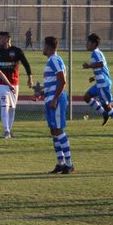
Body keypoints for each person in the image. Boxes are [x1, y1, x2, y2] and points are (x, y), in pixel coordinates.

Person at [40, 36, 74, 174]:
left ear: (48, 47)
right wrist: (42, 93)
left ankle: (69, 164)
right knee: (54, 131)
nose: (43, 48)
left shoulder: (54, 59)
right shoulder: (51, 60)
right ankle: (61, 163)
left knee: (59, 130)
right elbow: (54, 82)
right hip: (51, 99)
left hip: (57, 100)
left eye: (44, 46)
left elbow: (62, 81)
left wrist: (54, 99)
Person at [82, 33, 113, 131]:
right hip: (99, 83)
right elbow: (102, 69)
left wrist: (89, 66)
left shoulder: (95, 52)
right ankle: (104, 113)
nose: (87, 44)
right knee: (86, 97)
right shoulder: (96, 52)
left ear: (94, 44)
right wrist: (94, 77)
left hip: (103, 84)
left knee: (107, 106)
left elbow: (101, 64)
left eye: (88, 42)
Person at [0, 31, 33, 138]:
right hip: (1, 84)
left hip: (14, 83)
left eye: (1, 38)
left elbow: (26, 64)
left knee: (12, 107)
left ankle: (9, 131)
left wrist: (30, 78)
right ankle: (6, 131)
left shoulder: (17, 51)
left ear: (6, 39)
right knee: (4, 106)